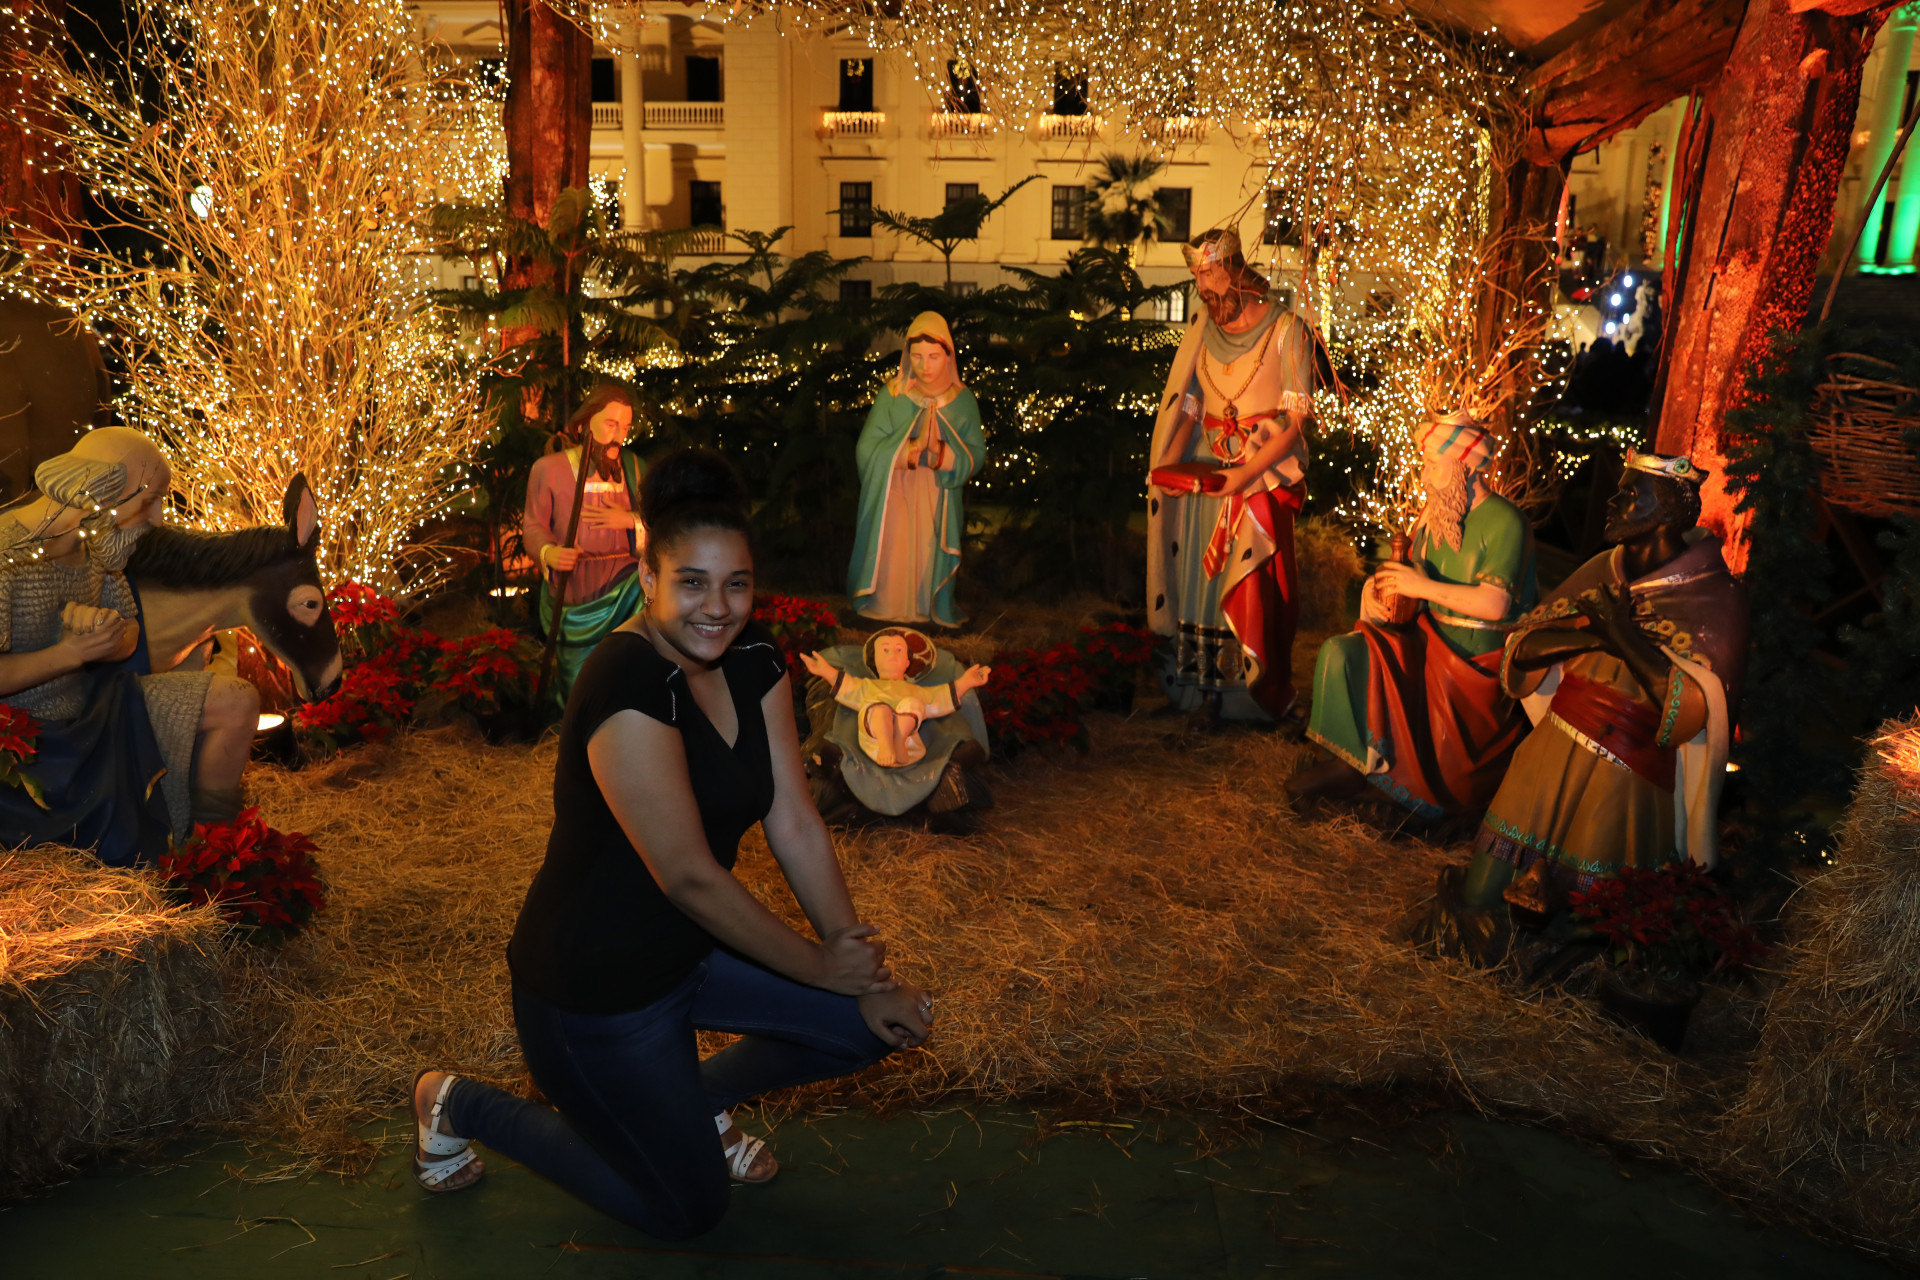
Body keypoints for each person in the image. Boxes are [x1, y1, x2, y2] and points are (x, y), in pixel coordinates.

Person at [410, 449, 934, 1239]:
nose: (717, 608)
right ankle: (460, 1103)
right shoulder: (626, 681)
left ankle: (696, 1106)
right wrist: (820, 969)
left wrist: (854, 962)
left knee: (869, 1025)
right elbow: (687, 875)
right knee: (686, 1210)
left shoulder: (754, 658)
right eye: (692, 582)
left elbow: (793, 818)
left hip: (695, 956)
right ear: (647, 577)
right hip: (596, 991)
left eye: (736, 584)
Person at [1459, 451, 1748, 914]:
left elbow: (1691, 713)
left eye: (1630, 494)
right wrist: (1595, 634)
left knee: (1590, 915)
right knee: (1481, 896)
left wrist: (1622, 637)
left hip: (1627, 777)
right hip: (1550, 751)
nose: (1612, 502)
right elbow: (1523, 649)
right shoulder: (1602, 570)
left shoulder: (1716, 598)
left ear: (1667, 511)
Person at [0, 428, 258, 865]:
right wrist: (69, 654)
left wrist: (109, 633)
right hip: (23, 740)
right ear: (99, 492)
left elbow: (131, 632)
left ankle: (212, 857)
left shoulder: (98, 546)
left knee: (237, 700)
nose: (157, 518)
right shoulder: (8, 553)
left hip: (97, 708)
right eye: (150, 500)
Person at [1288, 411, 1537, 821]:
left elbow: (1494, 605)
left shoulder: (1506, 522)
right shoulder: (1434, 517)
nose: (1423, 477)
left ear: (1464, 466)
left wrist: (1419, 588)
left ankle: (1404, 789)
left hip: (1474, 664)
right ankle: (1348, 759)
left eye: (1432, 466)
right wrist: (1378, 592)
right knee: (1342, 652)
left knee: (1429, 707)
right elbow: (1413, 577)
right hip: (1425, 639)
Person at [1146, 227, 1319, 728]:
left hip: (1258, 476)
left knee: (1246, 585)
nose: (1203, 287)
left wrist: (1244, 475)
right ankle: (1199, 692)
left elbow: (1294, 424)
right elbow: (1191, 405)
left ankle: (1246, 696)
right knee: (1197, 583)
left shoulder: (1288, 331)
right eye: (1197, 277)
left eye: (1210, 274)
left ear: (1236, 269)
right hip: (1206, 477)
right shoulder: (1202, 329)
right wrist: (1168, 466)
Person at [847, 312, 986, 627]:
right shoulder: (893, 395)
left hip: (937, 496)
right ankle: (885, 607)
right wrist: (908, 449)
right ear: (907, 355)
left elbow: (976, 454)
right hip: (895, 492)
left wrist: (940, 454)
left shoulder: (962, 401)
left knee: (927, 553)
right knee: (893, 553)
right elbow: (866, 448)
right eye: (917, 356)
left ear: (948, 356)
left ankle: (927, 609)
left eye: (933, 357)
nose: (925, 366)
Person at [523, 383, 648, 708]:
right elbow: (534, 526)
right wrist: (550, 553)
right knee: (580, 690)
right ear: (583, 425)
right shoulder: (548, 470)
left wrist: (630, 520)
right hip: (576, 593)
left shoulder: (635, 469)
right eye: (611, 424)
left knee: (628, 675)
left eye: (625, 427)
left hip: (628, 590)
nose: (618, 436)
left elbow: (663, 525)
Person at [801, 627, 991, 768]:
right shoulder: (867, 686)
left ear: (908, 662)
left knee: (913, 703)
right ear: (874, 659)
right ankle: (886, 744)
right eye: (885, 650)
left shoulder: (915, 690)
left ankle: (899, 740)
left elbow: (940, 697)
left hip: (909, 746)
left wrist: (966, 681)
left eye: (899, 650)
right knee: (878, 707)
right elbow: (847, 685)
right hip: (875, 743)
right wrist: (825, 671)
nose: (892, 654)